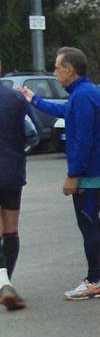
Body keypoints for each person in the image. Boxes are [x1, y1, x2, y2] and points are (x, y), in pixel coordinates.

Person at [20, 47, 100, 300]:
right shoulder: (85, 93)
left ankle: (94, 280)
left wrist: (74, 174)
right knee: (93, 220)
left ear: (69, 69)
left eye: (56, 67)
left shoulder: (83, 96)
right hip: (93, 170)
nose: (55, 73)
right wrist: (34, 100)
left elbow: (82, 139)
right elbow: (66, 113)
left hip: (88, 172)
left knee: (87, 223)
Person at [0, 61, 30, 311]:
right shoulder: (16, 99)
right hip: (12, 171)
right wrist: (18, 153)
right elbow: (31, 133)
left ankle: (2, 284)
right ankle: (6, 280)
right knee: (11, 229)